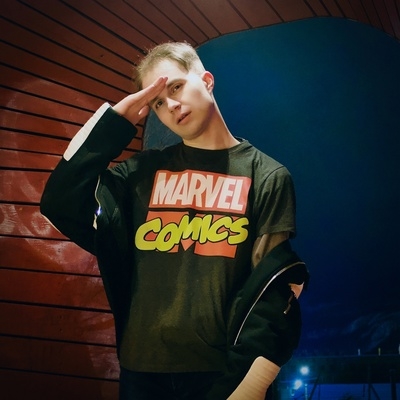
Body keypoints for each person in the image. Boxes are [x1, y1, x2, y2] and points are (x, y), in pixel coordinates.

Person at [41, 42, 309, 400]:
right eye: (157, 103)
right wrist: (114, 123)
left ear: (207, 80)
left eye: (176, 87)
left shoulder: (267, 175)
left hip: (222, 375)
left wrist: (244, 387)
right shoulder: (139, 174)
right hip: (141, 374)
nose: (170, 105)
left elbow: (273, 295)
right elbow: (59, 201)